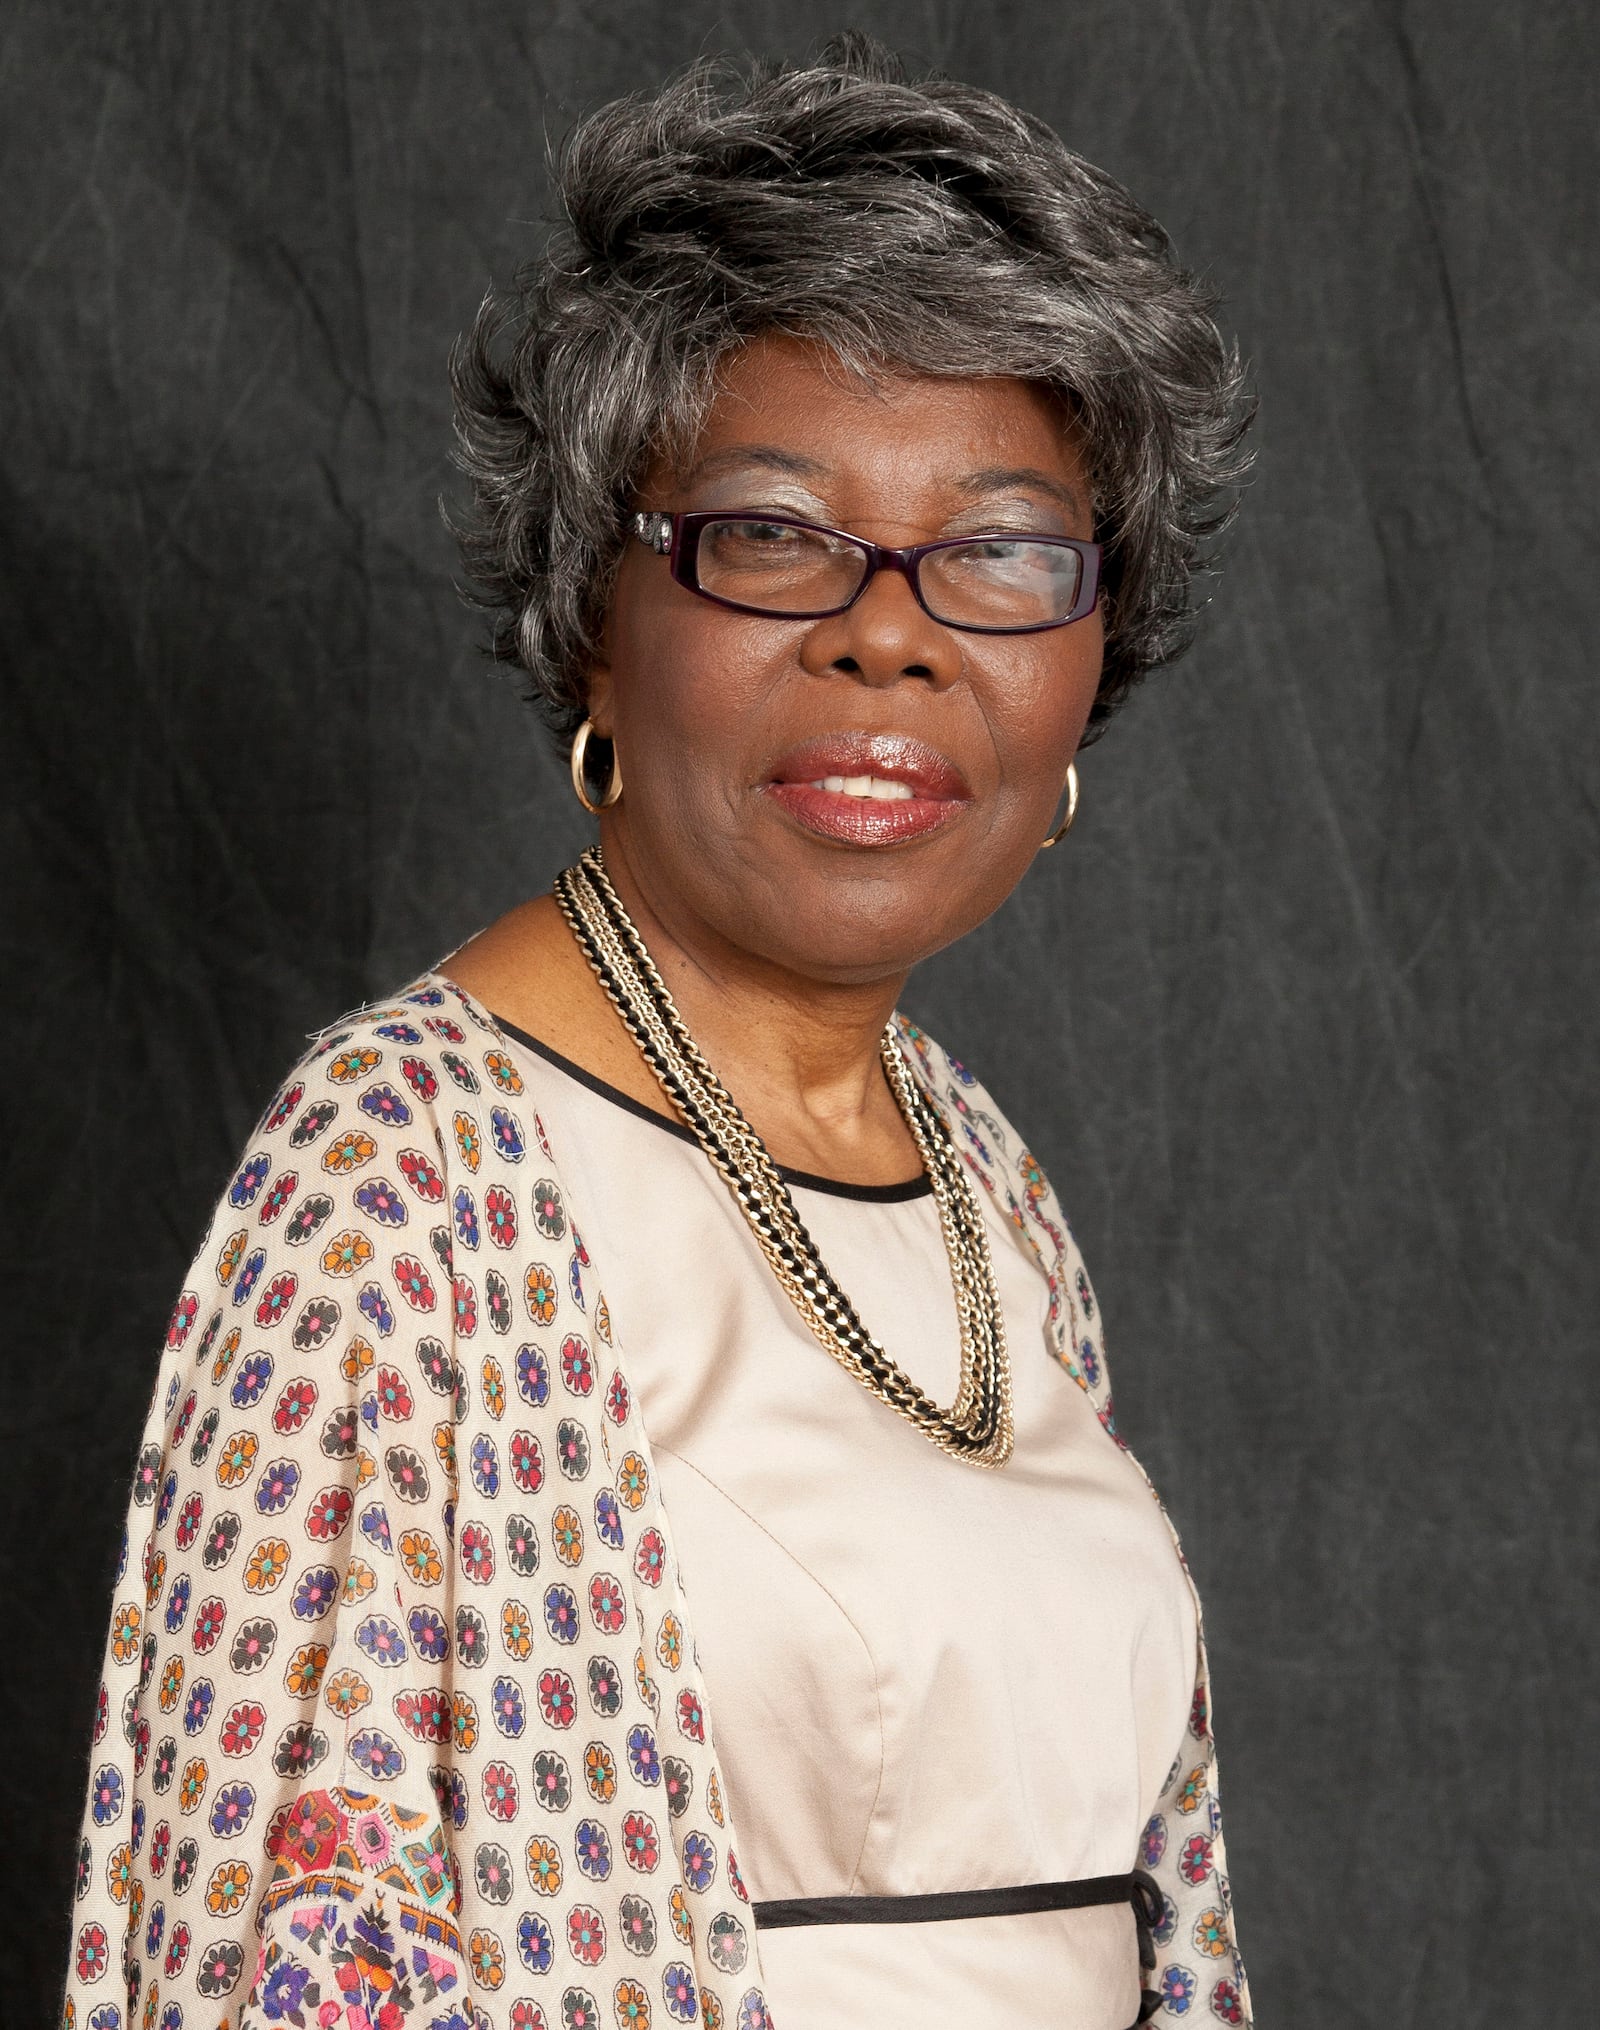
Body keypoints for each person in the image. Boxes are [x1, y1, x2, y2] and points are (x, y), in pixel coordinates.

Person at [63, 34, 1254, 2030]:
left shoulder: (986, 1194)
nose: (892, 632)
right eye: (772, 531)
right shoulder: (398, 1186)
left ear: (1083, 667)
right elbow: (278, 1961)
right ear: (593, 615)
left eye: (998, 550)